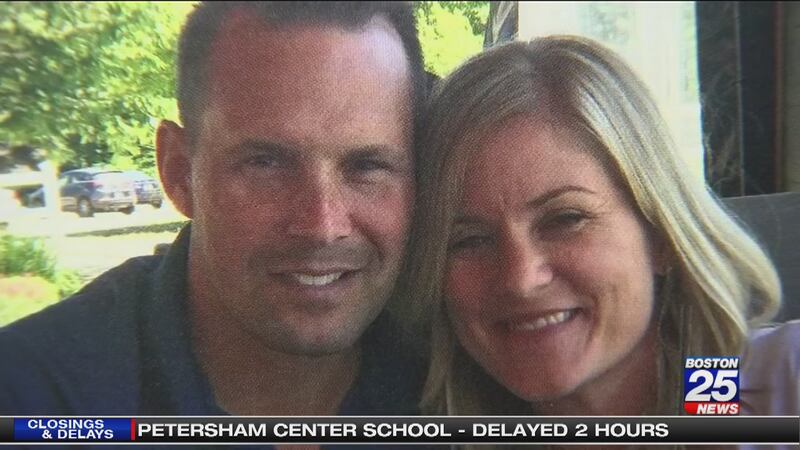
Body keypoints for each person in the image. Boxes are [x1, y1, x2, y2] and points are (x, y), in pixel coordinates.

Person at [0, 1, 428, 422]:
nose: (322, 226)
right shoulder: (29, 398)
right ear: (179, 173)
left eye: (368, 167)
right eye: (266, 163)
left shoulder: (452, 373)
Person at [404, 35, 797, 424]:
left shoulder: (774, 382)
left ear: (660, 234)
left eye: (565, 219)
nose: (521, 279)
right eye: (470, 241)